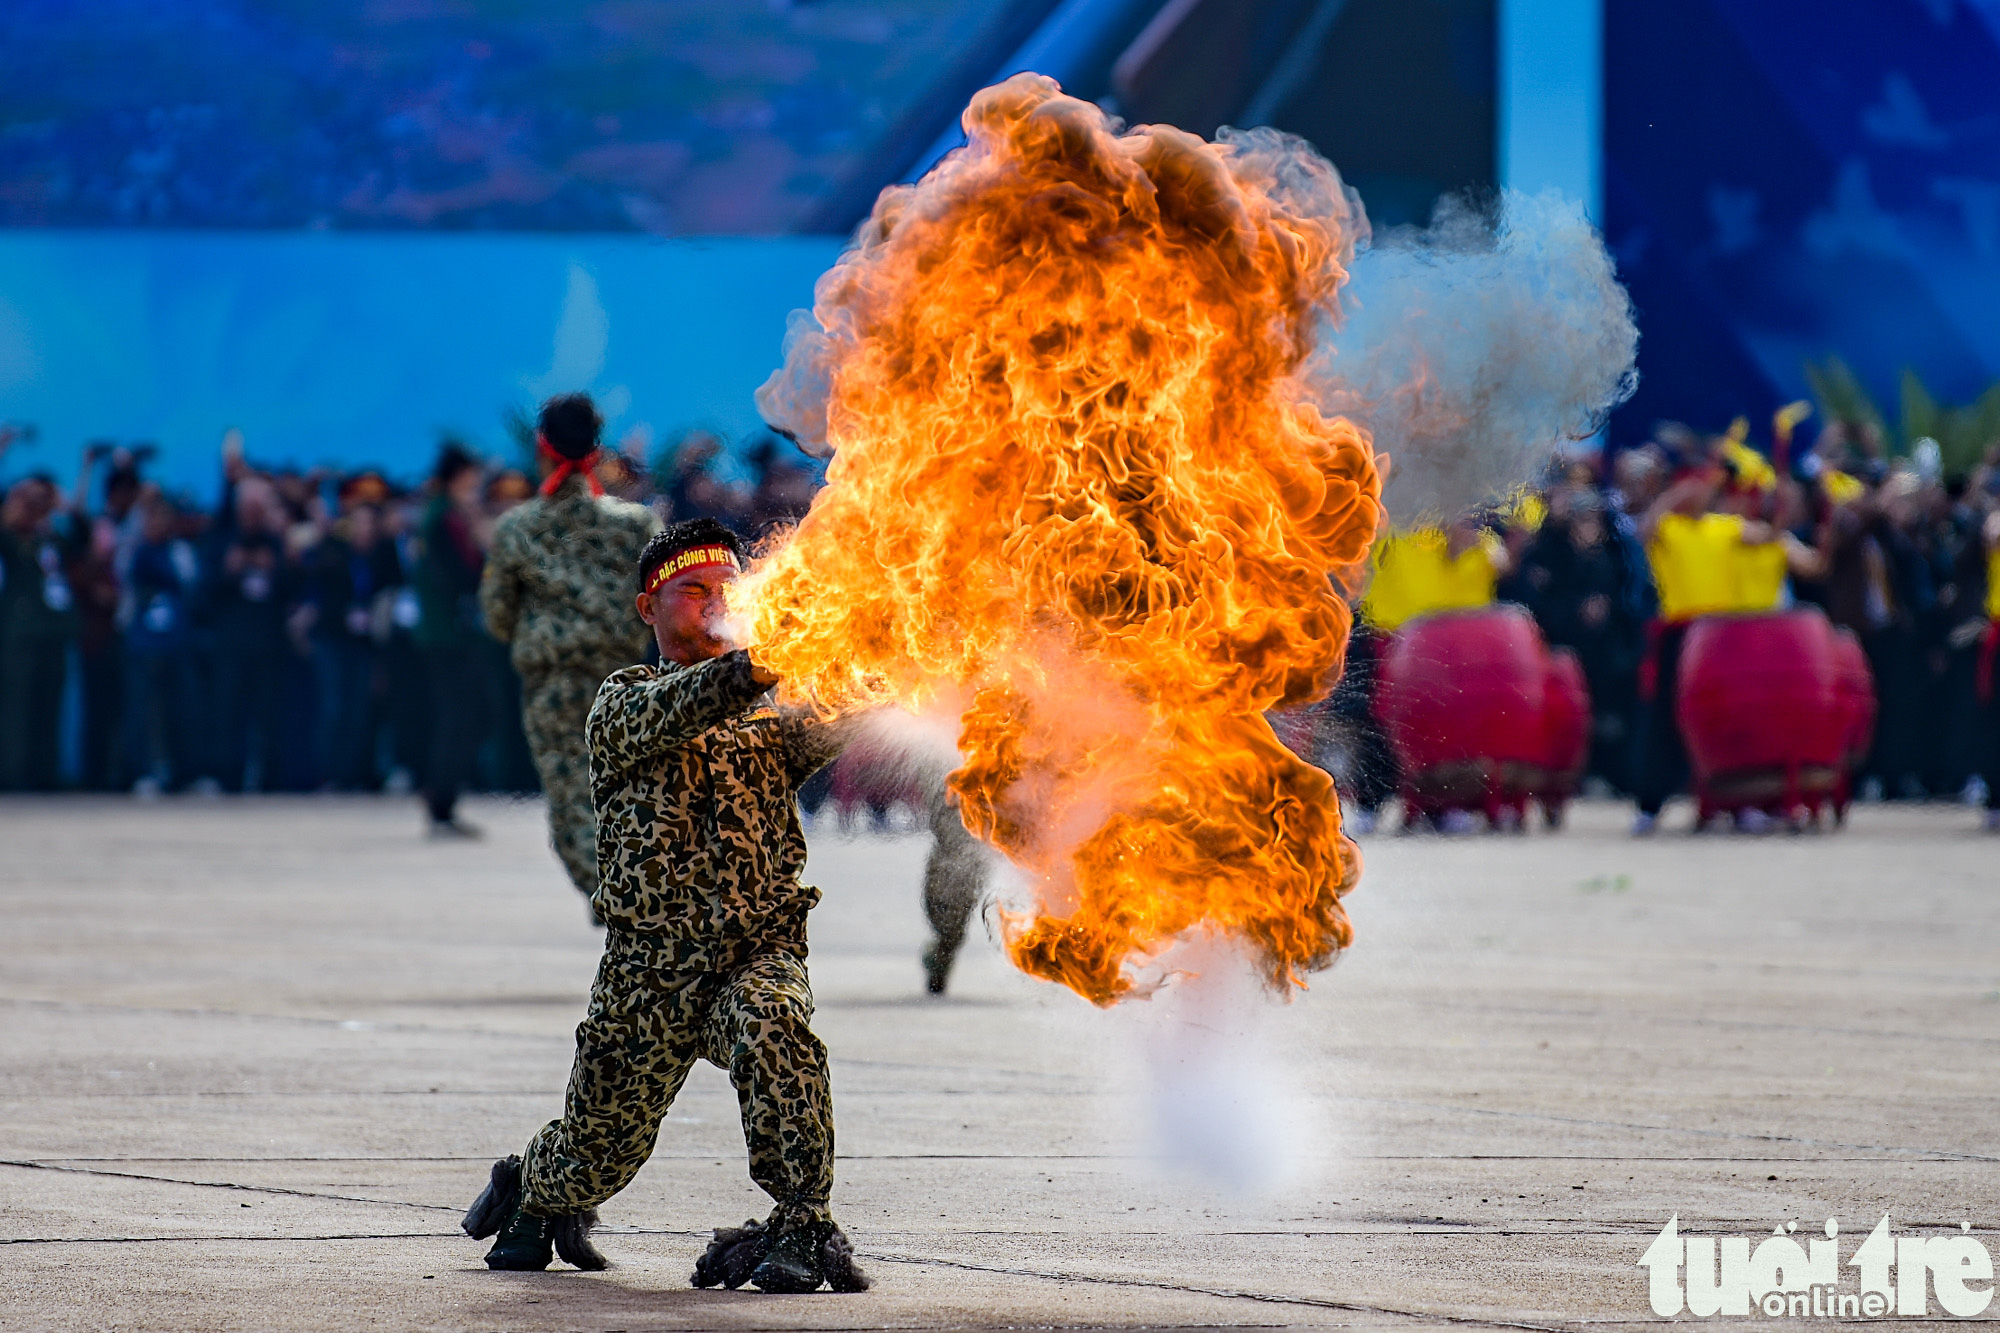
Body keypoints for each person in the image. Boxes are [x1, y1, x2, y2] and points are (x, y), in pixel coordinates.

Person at [462, 518, 868, 1294]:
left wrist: (880, 642)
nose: (715, 604)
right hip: (650, 969)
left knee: (774, 1027)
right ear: (649, 606)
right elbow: (697, 698)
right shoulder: (623, 704)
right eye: (694, 591)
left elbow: (846, 708)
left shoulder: (767, 716)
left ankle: (802, 1222)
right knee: (595, 1152)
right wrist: (763, 664)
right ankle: (534, 1187)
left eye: (729, 591)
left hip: (757, 947)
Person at [478, 393, 660, 906]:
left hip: (553, 687)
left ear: (542, 450)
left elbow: (496, 613)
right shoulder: (637, 526)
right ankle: (647, 900)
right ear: (597, 450)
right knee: (632, 800)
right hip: (625, 683)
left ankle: (624, 908)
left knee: (574, 808)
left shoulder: (517, 528)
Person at [411, 443, 492, 836]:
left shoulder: (440, 513)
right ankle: (441, 802)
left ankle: (443, 800)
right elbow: (460, 575)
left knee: (459, 717)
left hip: (447, 632)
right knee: (458, 718)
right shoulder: (446, 518)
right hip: (450, 633)